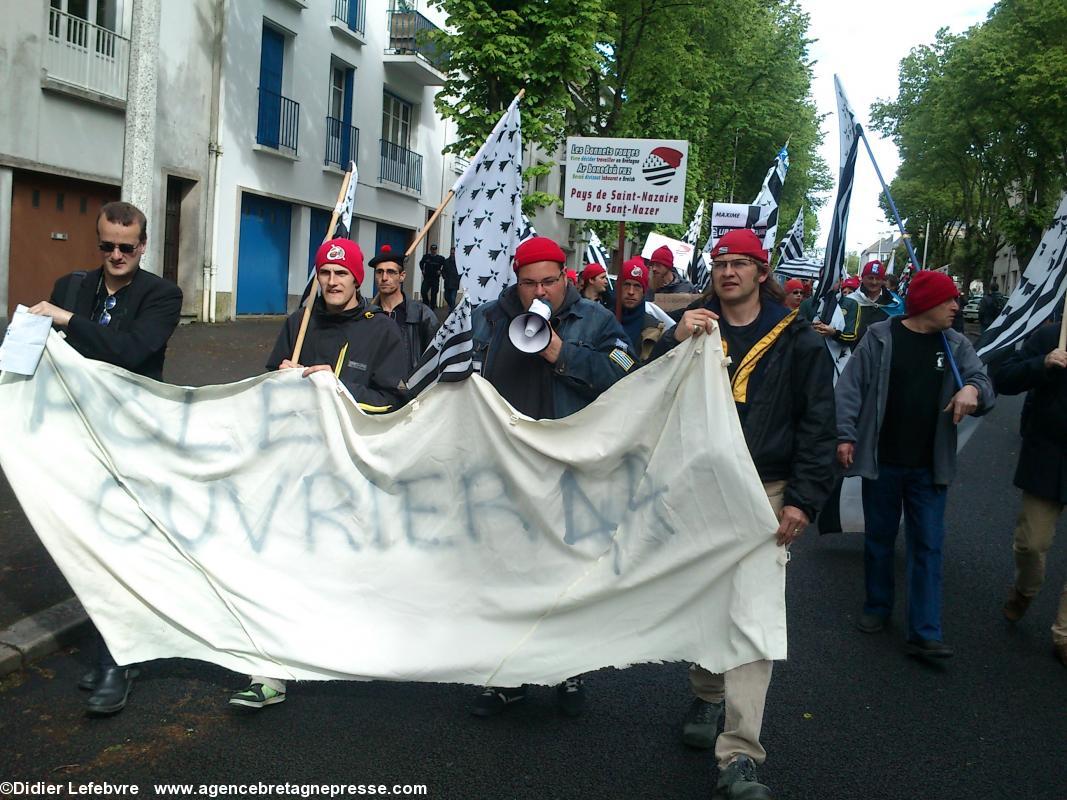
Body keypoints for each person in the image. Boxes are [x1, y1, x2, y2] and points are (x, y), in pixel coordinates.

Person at [650, 228, 836, 800]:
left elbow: (819, 425)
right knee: (710, 598)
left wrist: (805, 498)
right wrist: (669, 342)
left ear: (762, 270)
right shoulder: (692, 324)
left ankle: (740, 754)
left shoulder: (799, 341)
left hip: (766, 490)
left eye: (741, 263)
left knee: (754, 616)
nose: (729, 271)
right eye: (720, 262)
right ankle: (707, 693)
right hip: (700, 489)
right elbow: (644, 389)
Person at [231, 238, 409, 710]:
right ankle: (269, 672)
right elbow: (266, 391)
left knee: (348, 569)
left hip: (351, 473)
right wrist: (281, 379)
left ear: (357, 279)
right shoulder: (298, 322)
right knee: (279, 565)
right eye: (325, 274)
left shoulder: (383, 332)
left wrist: (338, 387)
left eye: (341, 274)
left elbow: (394, 404)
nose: (332, 282)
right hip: (295, 468)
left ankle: (363, 654)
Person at [469, 235, 636, 717]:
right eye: (528, 283)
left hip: (570, 469)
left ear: (566, 276)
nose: (540, 292)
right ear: (514, 282)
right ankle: (509, 676)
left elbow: (627, 374)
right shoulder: (487, 317)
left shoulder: (600, 320)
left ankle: (568, 669)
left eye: (549, 281)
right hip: (505, 467)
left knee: (567, 573)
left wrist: (562, 353)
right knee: (507, 573)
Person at [28, 200, 183, 715]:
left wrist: (67, 321)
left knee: (121, 546)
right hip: (75, 435)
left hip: (132, 437)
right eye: (106, 245)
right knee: (85, 543)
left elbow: (132, 351)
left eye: (126, 246)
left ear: (142, 245)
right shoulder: (71, 286)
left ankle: (119, 659)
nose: (116, 255)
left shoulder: (163, 294)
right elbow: (40, 355)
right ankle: (109, 650)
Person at [836, 270, 994, 660]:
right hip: (883, 461)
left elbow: (984, 384)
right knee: (879, 539)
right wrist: (844, 435)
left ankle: (925, 630)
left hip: (929, 467)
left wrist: (973, 389)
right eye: (950, 300)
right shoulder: (880, 337)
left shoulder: (956, 344)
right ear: (926, 303)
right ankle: (877, 607)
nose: (957, 306)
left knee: (928, 545)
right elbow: (850, 388)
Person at [992, 325, 1067, 667]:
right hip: (1049, 457)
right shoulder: (1053, 334)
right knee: (1031, 543)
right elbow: (1004, 377)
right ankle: (1025, 590)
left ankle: (1063, 634)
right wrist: (1044, 362)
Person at [369, 244, 439, 373]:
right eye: (379, 272)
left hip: (409, 388)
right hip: (374, 389)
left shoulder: (422, 315)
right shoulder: (367, 315)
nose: (384, 278)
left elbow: (435, 359)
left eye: (391, 272)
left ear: (402, 276)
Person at [833, 260, 905, 347]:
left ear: (883, 281)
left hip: (881, 355)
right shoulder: (849, 301)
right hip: (852, 354)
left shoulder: (895, 303)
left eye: (878, 278)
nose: (874, 282)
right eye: (870, 278)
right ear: (862, 278)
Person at [617, 257, 665, 363]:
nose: (631, 292)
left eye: (637, 286)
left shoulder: (654, 330)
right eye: (626, 285)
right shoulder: (602, 320)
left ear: (644, 291)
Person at [418, 243, 446, 309]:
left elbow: (445, 266)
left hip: (435, 279)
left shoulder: (440, 258)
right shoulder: (426, 257)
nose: (433, 251)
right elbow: (421, 263)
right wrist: (423, 270)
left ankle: (432, 307)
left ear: (436, 250)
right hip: (427, 278)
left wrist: (441, 271)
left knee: (434, 294)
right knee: (423, 291)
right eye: (432, 249)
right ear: (430, 250)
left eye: (435, 249)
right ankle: (426, 303)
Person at [442, 247, 460, 311]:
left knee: (452, 298)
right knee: (446, 296)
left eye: (453, 253)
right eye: (451, 253)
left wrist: (458, 278)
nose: (452, 254)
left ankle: (452, 311)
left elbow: (461, 272)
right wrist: (444, 277)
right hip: (447, 283)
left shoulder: (458, 262)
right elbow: (443, 270)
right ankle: (452, 307)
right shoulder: (446, 261)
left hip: (455, 284)